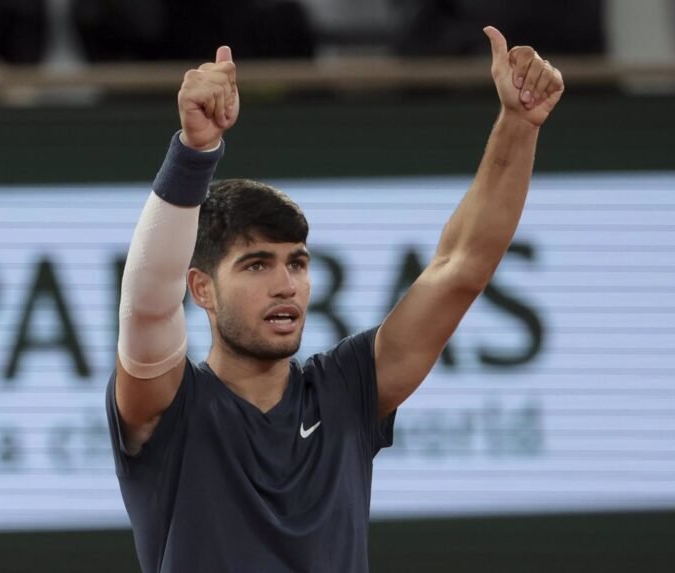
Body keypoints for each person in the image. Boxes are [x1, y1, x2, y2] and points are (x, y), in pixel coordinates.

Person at [106, 26, 563, 573]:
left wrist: (519, 123)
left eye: (296, 263)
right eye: (256, 264)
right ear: (201, 286)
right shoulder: (167, 404)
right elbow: (146, 306)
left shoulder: (346, 389)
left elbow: (460, 267)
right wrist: (194, 153)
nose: (286, 284)